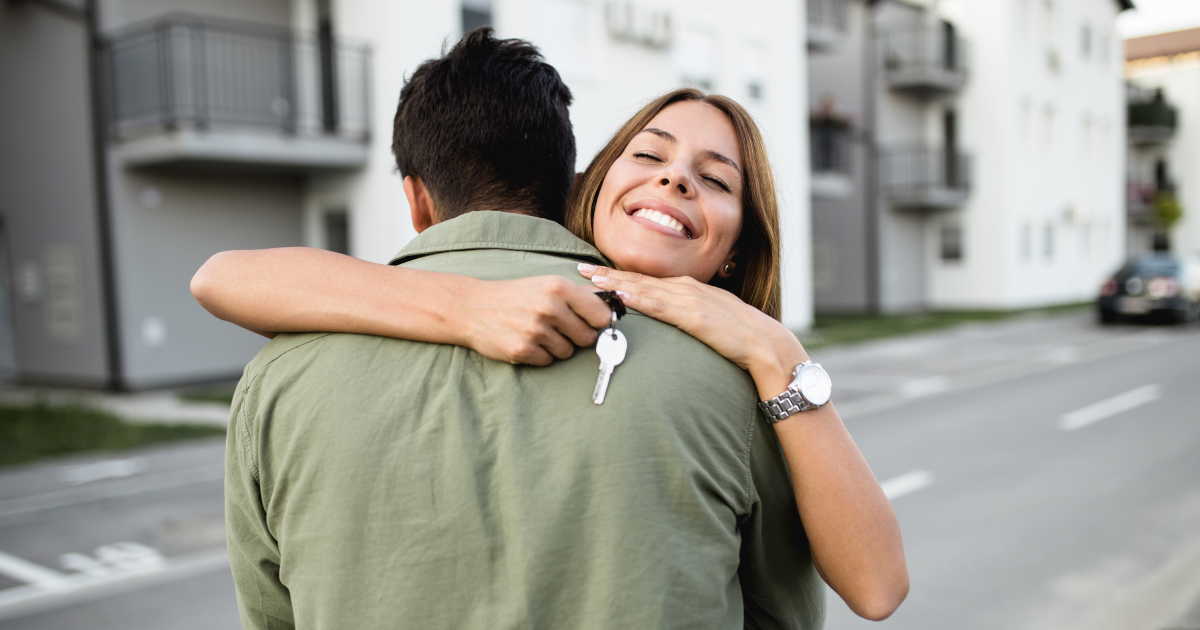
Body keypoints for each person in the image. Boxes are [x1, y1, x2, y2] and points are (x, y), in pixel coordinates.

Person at [205, 28, 907, 630]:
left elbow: (877, 587)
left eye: (717, 181)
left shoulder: (746, 372)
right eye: (650, 156)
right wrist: (466, 306)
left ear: (736, 250)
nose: (674, 182)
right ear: (582, 183)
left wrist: (774, 348)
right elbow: (220, 277)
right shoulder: (720, 387)